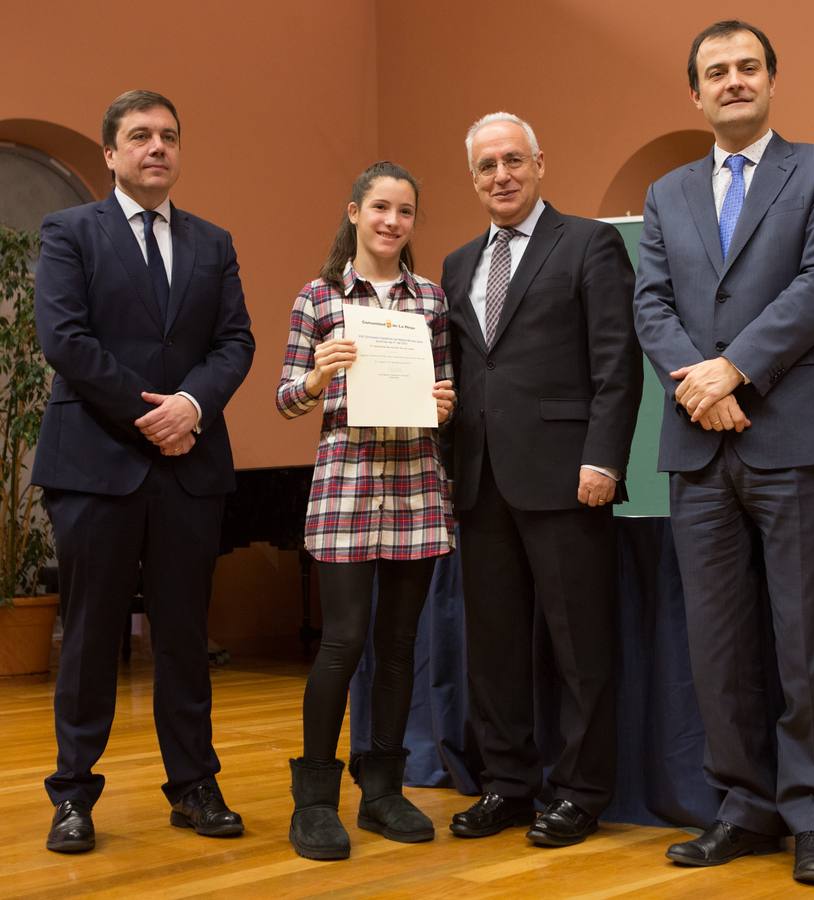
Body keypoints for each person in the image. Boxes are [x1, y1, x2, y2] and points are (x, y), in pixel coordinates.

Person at [633, 20, 814, 886]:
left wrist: (734, 369)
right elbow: (651, 302)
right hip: (697, 448)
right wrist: (699, 385)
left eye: (747, 68)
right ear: (694, 92)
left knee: (810, 643)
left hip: (793, 438)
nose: (732, 81)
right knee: (716, 645)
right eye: (715, 72)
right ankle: (745, 807)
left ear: (772, 79)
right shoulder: (667, 192)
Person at [33, 90, 254, 852]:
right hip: (95, 464)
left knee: (186, 638)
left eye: (167, 136)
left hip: (189, 467)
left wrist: (191, 406)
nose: (156, 147)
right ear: (111, 153)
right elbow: (63, 337)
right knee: (91, 635)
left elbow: (236, 343)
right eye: (139, 136)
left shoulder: (212, 241)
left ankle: (193, 786)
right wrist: (148, 413)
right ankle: (73, 795)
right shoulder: (69, 232)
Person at [442, 112, 642, 847]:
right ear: (473, 179)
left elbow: (618, 363)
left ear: (539, 164)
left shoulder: (589, 243)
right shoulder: (458, 263)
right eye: (487, 165)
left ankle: (581, 791)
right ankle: (508, 785)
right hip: (480, 478)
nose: (502, 175)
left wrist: (604, 459)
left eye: (513, 161)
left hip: (568, 476)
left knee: (578, 644)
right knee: (492, 647)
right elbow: (468, 369)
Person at [276, 160, 456, 861]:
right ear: (354, 212)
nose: (392, 221)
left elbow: (446, 387)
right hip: (347, 486)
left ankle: (382, 791)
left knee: (401, 644)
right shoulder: (317, 298)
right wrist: (318, 374)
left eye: (405, 211)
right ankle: (315, 802)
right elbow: (286, 399)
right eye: (380, 207)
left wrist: (445, 401)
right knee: (344, 641)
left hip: (414, 483)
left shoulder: (432, 300)